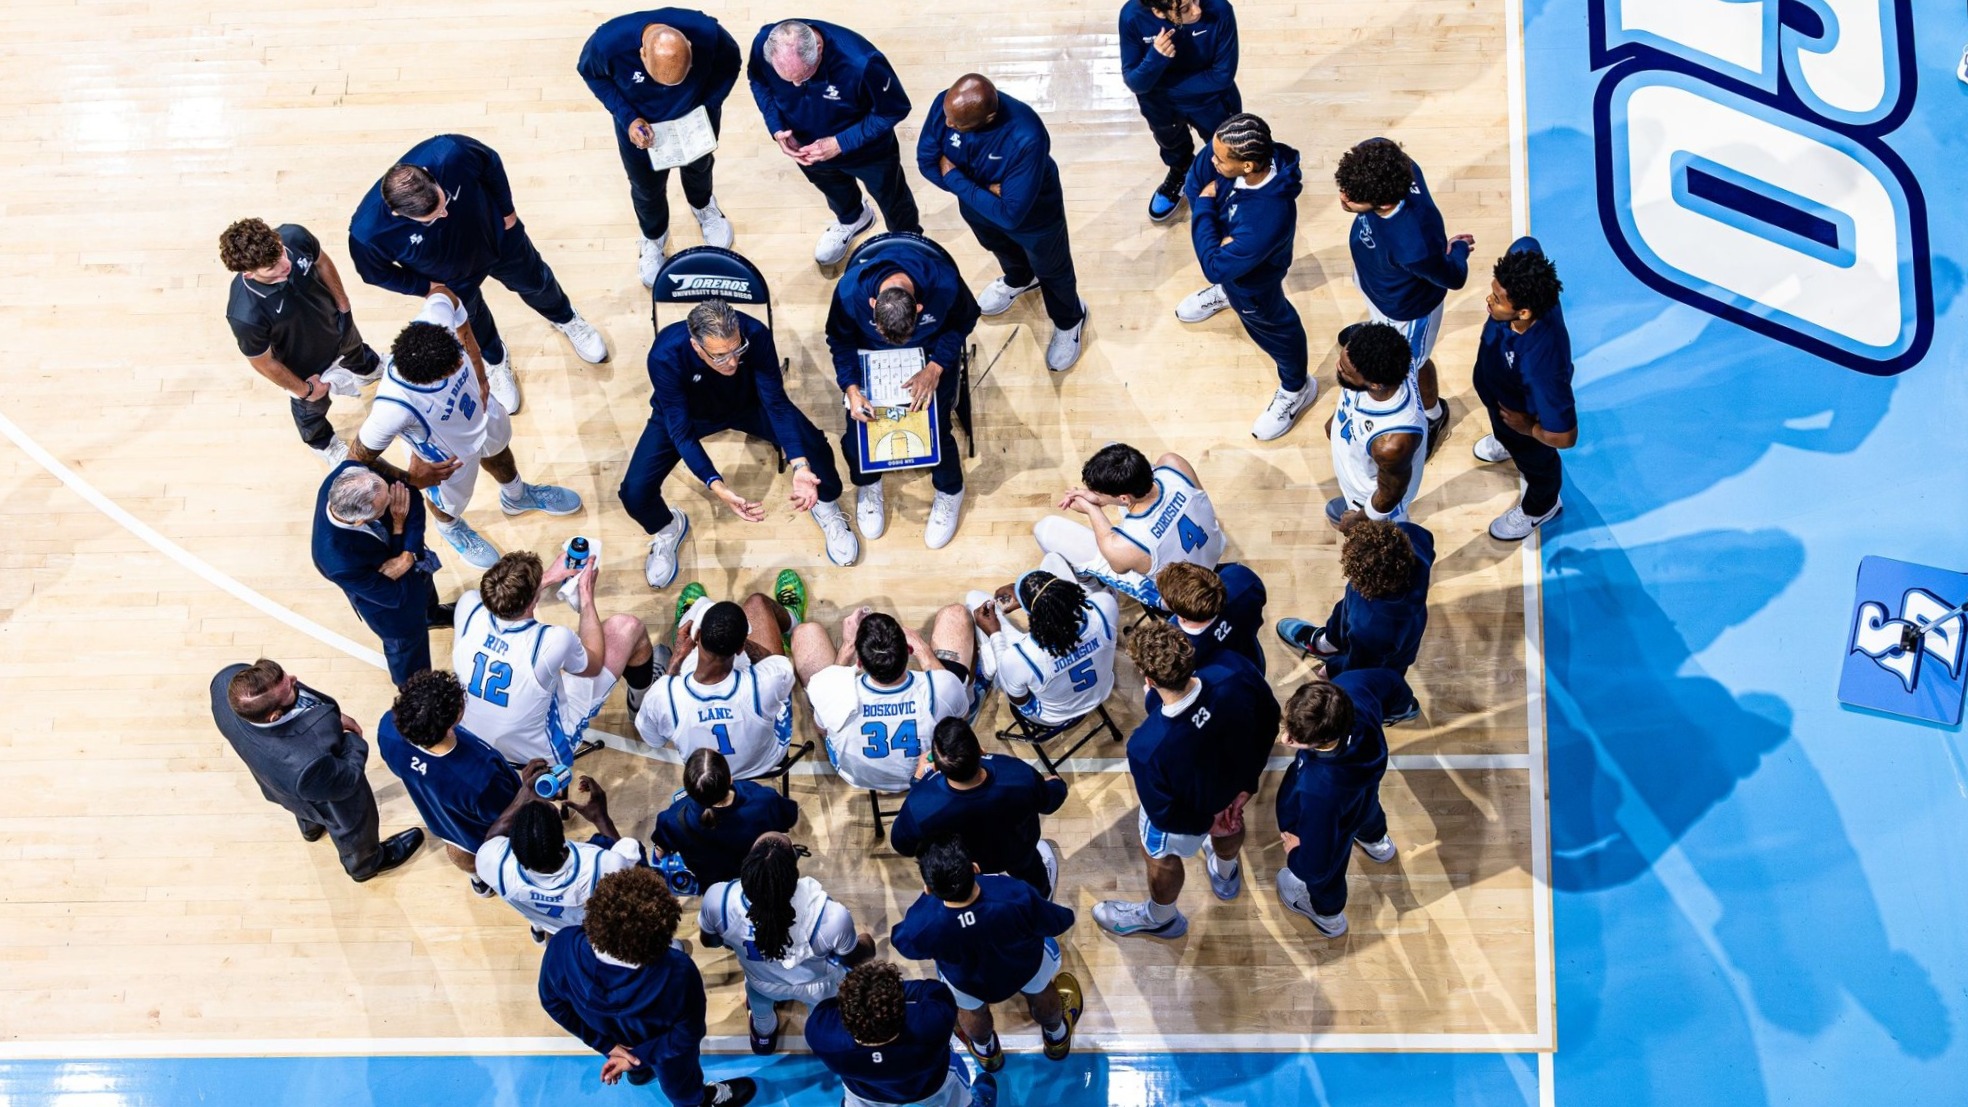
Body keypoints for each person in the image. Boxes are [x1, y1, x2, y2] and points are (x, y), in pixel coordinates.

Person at [347, 134, 608, 413]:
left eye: (444, 201)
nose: (445, 213)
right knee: (472, 320)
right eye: (433, 217)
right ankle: (495, 360)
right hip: (452, 280)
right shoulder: (367, 233)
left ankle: (567, 319)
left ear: (428, 175)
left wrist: (507, 212)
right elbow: (375, 274)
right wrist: (425, 287)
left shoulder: (450, 151)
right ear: (398, 214)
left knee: (537, 282)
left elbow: (490, 162)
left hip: (499, 240)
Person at [627, 299, 856, 588]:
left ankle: (825, 504)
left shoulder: (755, 334)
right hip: (690, 414)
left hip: (749, 403)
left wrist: (799, 464)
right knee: (634, 493)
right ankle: (668, 527)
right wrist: (717, 486)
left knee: (816, 449)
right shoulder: (664, 356)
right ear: (697, 347)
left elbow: (776, 402)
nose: (733, 362)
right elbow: (682, 433)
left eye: (737, 350)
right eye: (720, 356)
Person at [351, 295, 583, 569]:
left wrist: (480, 372)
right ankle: (450, 528)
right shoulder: (393, 407)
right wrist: (410, 477)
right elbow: (355, 458)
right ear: (428, 380)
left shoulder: (434, 321)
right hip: (446, 456)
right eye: (454, 366)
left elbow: (444, 293)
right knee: (449, 504)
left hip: (481, 411)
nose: (461, 364)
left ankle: (516, 496)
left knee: (500, 452)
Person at [1093, 622, 1277, 940]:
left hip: (1195, 812)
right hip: (1233, 790)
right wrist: (1247, 785)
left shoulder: (1146, 747)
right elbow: (1270, 718)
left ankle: (1160, 918)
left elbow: (1164, 815)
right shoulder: (1235, 668)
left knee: (1158, 855)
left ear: (1148, 679)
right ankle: (1225, 873)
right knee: (1232, 820)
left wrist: (1207, 822)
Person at [538, 867, 759, 1107]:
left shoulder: (562, 946)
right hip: (662, 1050)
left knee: (632, 1057)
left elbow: (552, 1003)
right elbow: (688, 1034)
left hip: (614, 1041)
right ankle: (697, 1102)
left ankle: (638, 1073)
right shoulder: (678, 972)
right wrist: (640, 1057)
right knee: (681, 1086)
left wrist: (609, 1047)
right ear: (662, 937)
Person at [916, 74, 1086, 373]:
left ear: (989, 117)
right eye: (947, 118)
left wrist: (957, 177)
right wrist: (986, 191)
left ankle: (1070, 319)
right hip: (978, 209)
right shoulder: (948, 107)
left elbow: (1012, 213)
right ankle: (1021, 279)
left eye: (957, 124)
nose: (948, 126)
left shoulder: (1026, 136)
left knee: (1053, 270)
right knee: (998, 247)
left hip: (1036, 217)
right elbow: (927, 162)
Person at [825, 231, 981, 550]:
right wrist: (852, 389)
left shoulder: (946, 284)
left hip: (929, 358)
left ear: (920, 308)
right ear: (872, 304)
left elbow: (965, 320)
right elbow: (839, 340)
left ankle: (951, 489)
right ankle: (869, 485)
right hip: (870, 360)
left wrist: (936, 367)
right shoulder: (849, 291)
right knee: (856, 434)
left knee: (935, 427)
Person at [209, 660, 423, 880]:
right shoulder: (307, 762)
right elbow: (348, 779)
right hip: (318, 781)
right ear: (275, 716)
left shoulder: (227, 682)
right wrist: (352, 740)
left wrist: (333, 717)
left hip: (279, 783)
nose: (294, 680)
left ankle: (310, 827)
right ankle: (365, 864)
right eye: (290, 689)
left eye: (286, 677)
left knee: (301, 806)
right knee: (353, 825)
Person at [1175, 114, 1312, 440]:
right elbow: (1195, 183)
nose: (1211, 160)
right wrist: (1219, 240)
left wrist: (1208, 211)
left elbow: (1215, 265)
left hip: (1254, 284)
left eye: (1220, 160)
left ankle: (1297, 388)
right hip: (1236, 268)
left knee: (1276, 329)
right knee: (1228, 275)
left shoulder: (1266, 216)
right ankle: (1226, 293)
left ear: (1249, 166)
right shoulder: (1229, 145)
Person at [580, 10, 742, 284]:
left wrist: (709, 105)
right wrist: (628, 118)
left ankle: (703, 206)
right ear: (642, 55)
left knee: (700, 168)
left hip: (695, 121)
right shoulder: (607, 44)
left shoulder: (709, 34)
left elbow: (731, 64)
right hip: (642, 130)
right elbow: (592, 75)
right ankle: (653, 237)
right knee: (645, 188)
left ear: (690, 47)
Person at [892, 838, 1082, 1071]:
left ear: (928, 888)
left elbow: (903, 943)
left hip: (968, 983)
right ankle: (1057, 1037)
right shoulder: (1013, 893)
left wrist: (928, 901)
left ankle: (987, 1053)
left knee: (971, 1010)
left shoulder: (922, 922)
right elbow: (1059, 921)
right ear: (975, 868)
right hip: (1027, 967)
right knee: (1042, 990)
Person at [452, 552, 657, 766]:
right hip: (540, 753)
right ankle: (640, 708)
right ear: (534, 599)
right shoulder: (552, 640)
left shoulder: (468, 606)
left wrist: (548, 577)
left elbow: (505, 602)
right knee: (627, 628)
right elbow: (594, 664)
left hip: (472, 740)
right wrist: (586, 595)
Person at [1334, 136, 1471, 450]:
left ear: (1382, 204)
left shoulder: (1413, 245)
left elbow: (1454, 277)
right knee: (1378, 326)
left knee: (1411, 364)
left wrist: (1458, 250)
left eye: (1352, 197)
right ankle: (1376, 329)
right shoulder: (1393, 164)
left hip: (1405, 310)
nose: (1343, 197)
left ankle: (1434, 413)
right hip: (1376, 282)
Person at [748, 19, 919, 264]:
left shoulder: (863, 63)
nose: (795, 85)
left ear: (818, 48)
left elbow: (893, 110)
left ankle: (907, 243)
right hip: (807, 148)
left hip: (868, 153)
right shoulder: (765, 43)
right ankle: (854, 219)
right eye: (786, 79)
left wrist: (839, 143)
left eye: (803, 76)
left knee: (892, 197)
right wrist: (777, 127)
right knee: (834, 190)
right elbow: (758, 81)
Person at [219, 218, 383, 465]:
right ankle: (324, 445)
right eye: (271, 267)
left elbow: (322, 261)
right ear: (249, 273)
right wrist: (304, 390)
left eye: (281, 254)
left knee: (361, 357)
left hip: (338, 328)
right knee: (312, 411)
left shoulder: (294, 236)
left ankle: (368, 379)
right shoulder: (245, 314)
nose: (285, 265)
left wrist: (343, 304)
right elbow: (262, 362)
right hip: (305, 368)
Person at [699, 832, 875, 1053]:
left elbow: (710, 942)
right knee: (823, 1015)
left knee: (760, 1009)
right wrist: (867, 943)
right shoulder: (831, 916)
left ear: (749, 871)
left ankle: (764, 1039)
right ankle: (822, 1041)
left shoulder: (718, 901)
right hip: (816, 986)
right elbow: (852, 958)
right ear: (794, 873)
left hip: (761, 983)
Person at [1274, 671, 1411, 937]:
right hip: (1362, 791)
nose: (1284, 739)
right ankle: (1377, 844)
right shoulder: (1351, 690)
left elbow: (1318, 865)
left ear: (1322, 741)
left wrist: (1296, 856)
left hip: (1331, 817)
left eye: (1296, 738)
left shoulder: (1318, 792)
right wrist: (1401, 707)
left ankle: (1328, 915)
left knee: (1331, 866)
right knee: (1368, 809)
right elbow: (1392, 684)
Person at [792, 606, 983, 793]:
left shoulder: (834, 690)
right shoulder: (943, 687)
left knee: (805, 633)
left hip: (857, 775)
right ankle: (973, 688)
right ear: (908, 651)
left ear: (859, 663)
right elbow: (962, 716)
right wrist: (922, 648)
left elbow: (822, 729)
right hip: (929, 770)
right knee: (955, 614)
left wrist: (848, 645)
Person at [376, 670, 527, 895]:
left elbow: (400, 768)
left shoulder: (387, 728)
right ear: (449, 726)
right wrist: (529, 791)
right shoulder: (480, 776)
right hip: (485, 829)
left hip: (441, 817)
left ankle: (477, 880)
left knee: (458, 845)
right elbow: (507, 816)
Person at [889, 719, 1068, 898]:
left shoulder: (920, 804)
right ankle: (1041, 897)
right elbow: (1049, 802)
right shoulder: (1018, 774)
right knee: (1033, 877)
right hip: (1017, 849)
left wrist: (918, 782)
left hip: (965, 865)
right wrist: (1057, 785)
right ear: (981, 751)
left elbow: (902, 844)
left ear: (937, 766)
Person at [638, 588, 802, 782]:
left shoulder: (663, 696)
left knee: (701, 605)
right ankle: (792, 620)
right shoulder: (766, 681)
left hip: (707, 775)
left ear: (697, 636)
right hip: (766, 761)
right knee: (757, 601)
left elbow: (654, 741)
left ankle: (690, 616)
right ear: (741, 646)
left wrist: (675, 661)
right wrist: (736, 639)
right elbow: (780, 667)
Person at [311, 461, 452, 686]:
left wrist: (408, 555)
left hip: (413, 565)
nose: (393, 499)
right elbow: (395, 596)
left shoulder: (355, 474)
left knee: (425, 593)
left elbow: (412, 498)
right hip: (393, 612)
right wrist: (398, 528)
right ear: (360, 520)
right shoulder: (336, 560)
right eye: (387, 504)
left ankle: (431, 615)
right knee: (406, 650)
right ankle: (416, 691)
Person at [1277, 519, 1434, 723]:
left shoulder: (1373, 628)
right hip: (1369, 621)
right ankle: (1327, 643)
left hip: (1385, 655)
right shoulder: (1411, 536)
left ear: (1364, 580)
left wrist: (1334, 668)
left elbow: (1360, 667)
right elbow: (1427, 540)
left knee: (1378, 681)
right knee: (1343, 613)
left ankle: (1396, 710)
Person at [1033, 443, 1224, 609]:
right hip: (1212, 550)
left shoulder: (1124, 546)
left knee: (1045, 530)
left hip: (1178, 595)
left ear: (1124, 498)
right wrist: (1103, 496)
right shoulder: (1174, 464)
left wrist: (1093, 509)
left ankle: (1098, 594)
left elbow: (1115, 557)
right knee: (1112, 445)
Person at [1472, 237, 1575, 540]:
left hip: (1523, 417)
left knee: (1539, 466)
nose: (1488, 301)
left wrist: (1527, 428)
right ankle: (1506, 439)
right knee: (1505, 429)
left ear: (1525, 312)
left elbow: (1565, 436)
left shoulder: (1542, 364)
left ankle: (1541, 507)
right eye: (1493, 291)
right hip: (1502, 400)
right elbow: (1526, 244)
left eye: (1498, 299)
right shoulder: (1524, 280)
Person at [805, 960, 998, 1107]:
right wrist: (885, 996)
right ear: (900, 1008)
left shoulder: (821, 1035)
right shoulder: (932, 1022)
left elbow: (829, 1005)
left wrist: (867, 999)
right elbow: (932, 989)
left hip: (864, 1094)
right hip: (933, 1087)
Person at [477, 774, 643, 943]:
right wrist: (602, 819)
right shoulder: (603, 864)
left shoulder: (494, 865)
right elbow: (632, 872)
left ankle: (539, 931)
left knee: (549, 930)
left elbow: (491, 842)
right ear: (562, 836)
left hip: (549, 922)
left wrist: (523, 794)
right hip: (592, 930)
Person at [963, 554, 1120, 730]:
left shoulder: (1020, 658)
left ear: (1033, 615)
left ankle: (991, 665)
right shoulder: (1104, 606)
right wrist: (1032, 596)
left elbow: (1018, 700)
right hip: (1101, 690)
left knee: (974, 598)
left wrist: (994, 634)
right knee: (1053, 558)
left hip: (1052, 717)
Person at [1118, 0, 1241, 224]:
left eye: (1195, 0)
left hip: (1210, 100)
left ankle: (1229, 184)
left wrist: (1158, 84)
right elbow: (1134, 82)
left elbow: (1222, 76)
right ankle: (1181, 171)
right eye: (1185, 9)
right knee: (1171, 143)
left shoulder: (1220, 10)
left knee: (1228, 149)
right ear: (1157, 11)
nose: (1197, 10)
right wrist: (1155, 57)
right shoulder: (1131, 17)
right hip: (1160, 106)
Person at [1324, 321, 1429, 529]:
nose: (1338, 367)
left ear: (1374, 384)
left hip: (1367, 498)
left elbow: (1389, 494)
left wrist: (1358, 519)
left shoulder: (1390, 443)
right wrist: (1335, 423)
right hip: (1356, 466)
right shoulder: (1392, 360)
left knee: (1381, 543)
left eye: (1345, 370)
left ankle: (1387, 529)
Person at [651, 748, 801, 892]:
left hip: (711, 884)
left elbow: (660, 848)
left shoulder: (673, 818)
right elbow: (788, 818)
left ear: (688, 789)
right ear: (730, 778)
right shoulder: (763, 799)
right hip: (756, 873)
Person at [1155, 560, 1268, 674]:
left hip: (1220, 688)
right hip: (1253, 662)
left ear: (1181, 615)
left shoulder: (1173, 645)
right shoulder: (1242, 579)